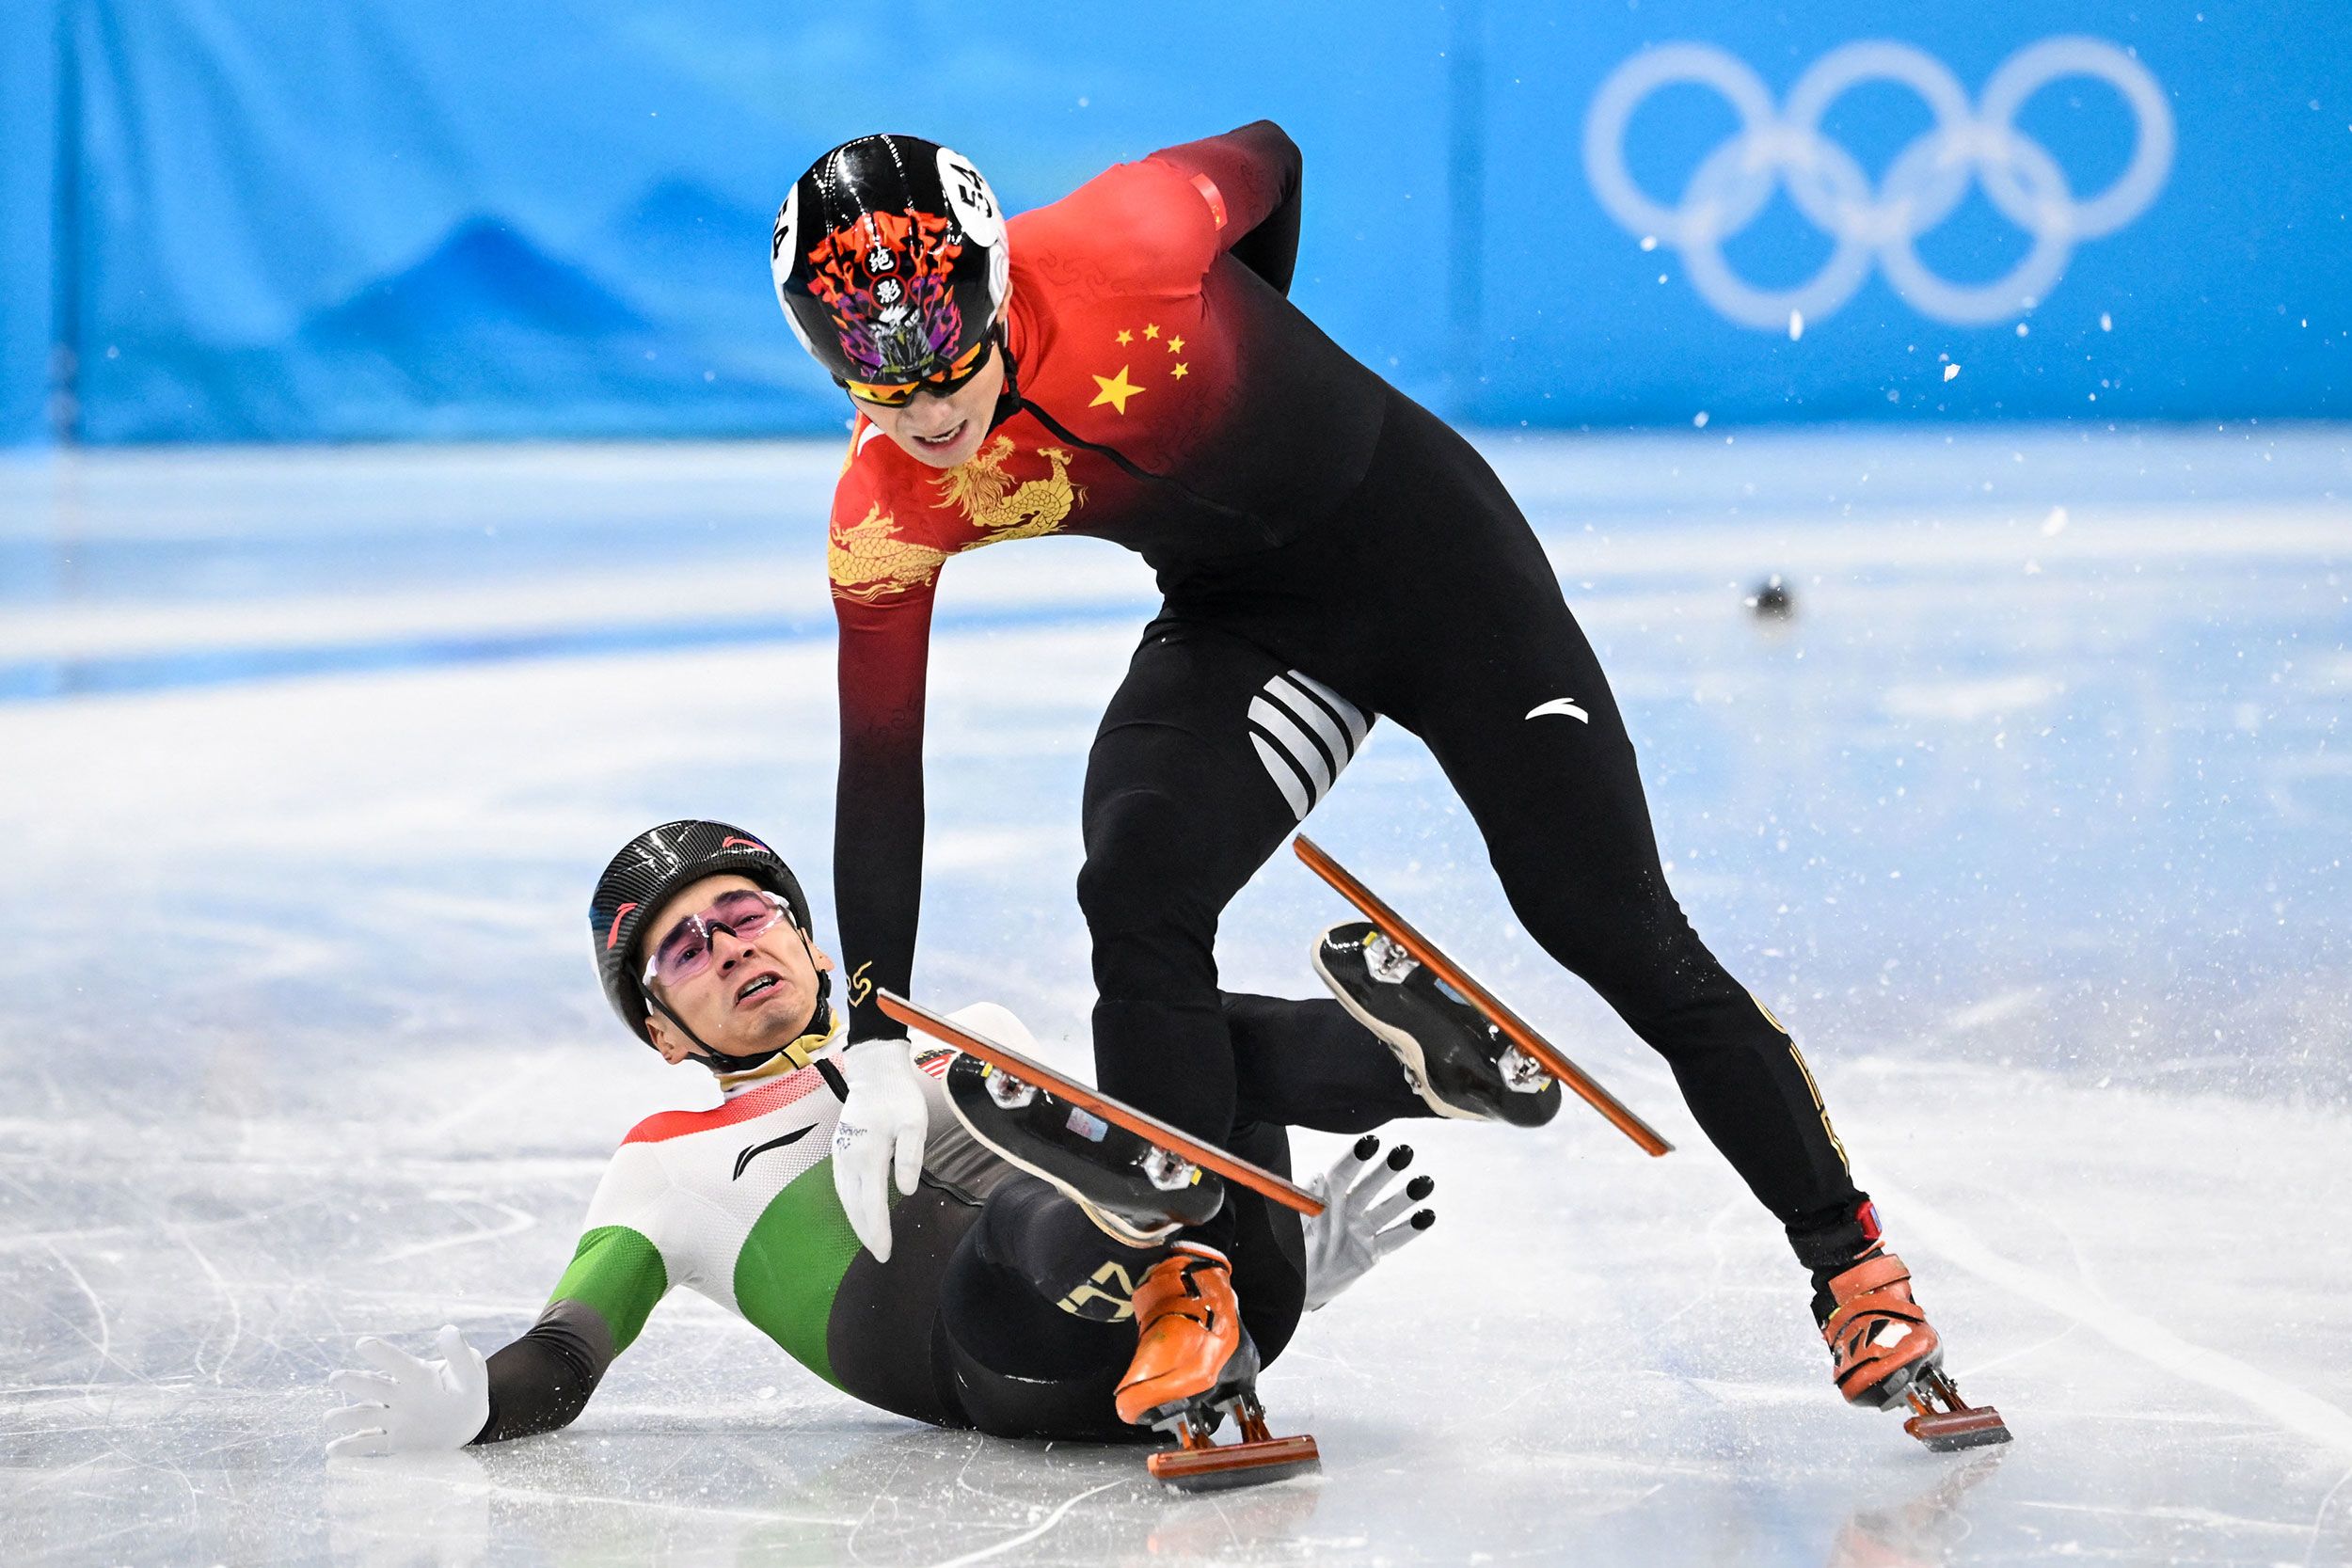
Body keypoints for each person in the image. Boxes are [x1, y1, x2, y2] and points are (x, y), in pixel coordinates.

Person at [771, 125, 1960, 1424]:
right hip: (1248, 620)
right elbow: (880, 764)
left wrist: (1255, 336)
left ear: (996, 286)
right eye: (878, 385)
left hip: (1442, 571)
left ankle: (1854, 1267)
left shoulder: (1138, 242)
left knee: (1608, 923)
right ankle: (1187, 1285)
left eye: (948, 361)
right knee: (1137, 875)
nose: (929, 413)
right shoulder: (881, 510)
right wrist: (874, 1034)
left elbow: (1272, 158)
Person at [321, 820, 1501, 1458]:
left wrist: (1289, 1259)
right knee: (1024, 1205)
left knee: (1203, 1038)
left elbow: (1160, 1123)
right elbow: (567, 1347)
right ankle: (1155, 1232)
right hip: (1007, 1365)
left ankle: (1430, 1071)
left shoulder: (961, 1033)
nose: (730, 945)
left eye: (744, 912)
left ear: (814, 945)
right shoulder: (662, 1165)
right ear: (661, 1030)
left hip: (1228, 1328)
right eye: (686, 948)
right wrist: (476, 1401)